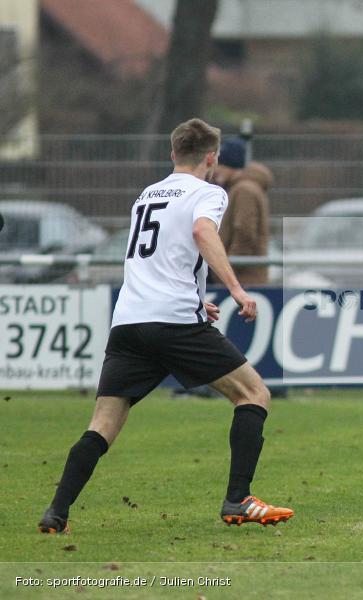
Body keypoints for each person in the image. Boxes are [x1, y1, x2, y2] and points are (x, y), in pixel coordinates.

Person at [38, 118, 293, 534]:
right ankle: (238, 500)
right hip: (172, 320)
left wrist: (196, 300)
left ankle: (56, 513)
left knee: (102, 424)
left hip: (129, 321)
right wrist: (236, 289)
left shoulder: (146, 195)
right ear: (211, 158)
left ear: (173, 153)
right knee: (254, 393)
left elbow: (157, 258)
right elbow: (201, 231)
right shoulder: (209, 192)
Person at [213, 137, 272, 286]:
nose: (215, 170)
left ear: (230, 165)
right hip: (245, 278)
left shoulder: (243, 190)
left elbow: (244, 230)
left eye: (220, 165)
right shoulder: (244, 188)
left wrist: (228, 268)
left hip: (242, 279)